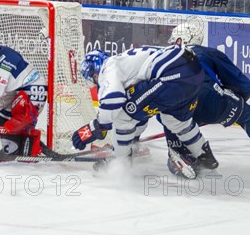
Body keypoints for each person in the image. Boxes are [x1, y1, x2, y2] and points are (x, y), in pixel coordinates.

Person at [165, 23, 250, 177]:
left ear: (184, 39)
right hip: (212, 99)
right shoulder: (207, 53)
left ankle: (183, 156)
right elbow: (241, 83)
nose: (171, 42)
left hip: (180, 104)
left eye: (174, 38)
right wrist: (238, 103)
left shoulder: (165, 58)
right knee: (247, 115)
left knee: (170, 119)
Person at [72, 46, 218, 172]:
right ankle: (205, 157)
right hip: (193, 71)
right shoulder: (126, 61)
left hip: (172, 74)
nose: (95, 83)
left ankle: (119, 163)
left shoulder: (108, 67)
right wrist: (132, 138)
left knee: (123, 117)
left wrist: (97, 126)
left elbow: (113, 99)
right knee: (176, 121)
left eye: (92, 79)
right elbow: (141, 111)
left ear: (95, 73)